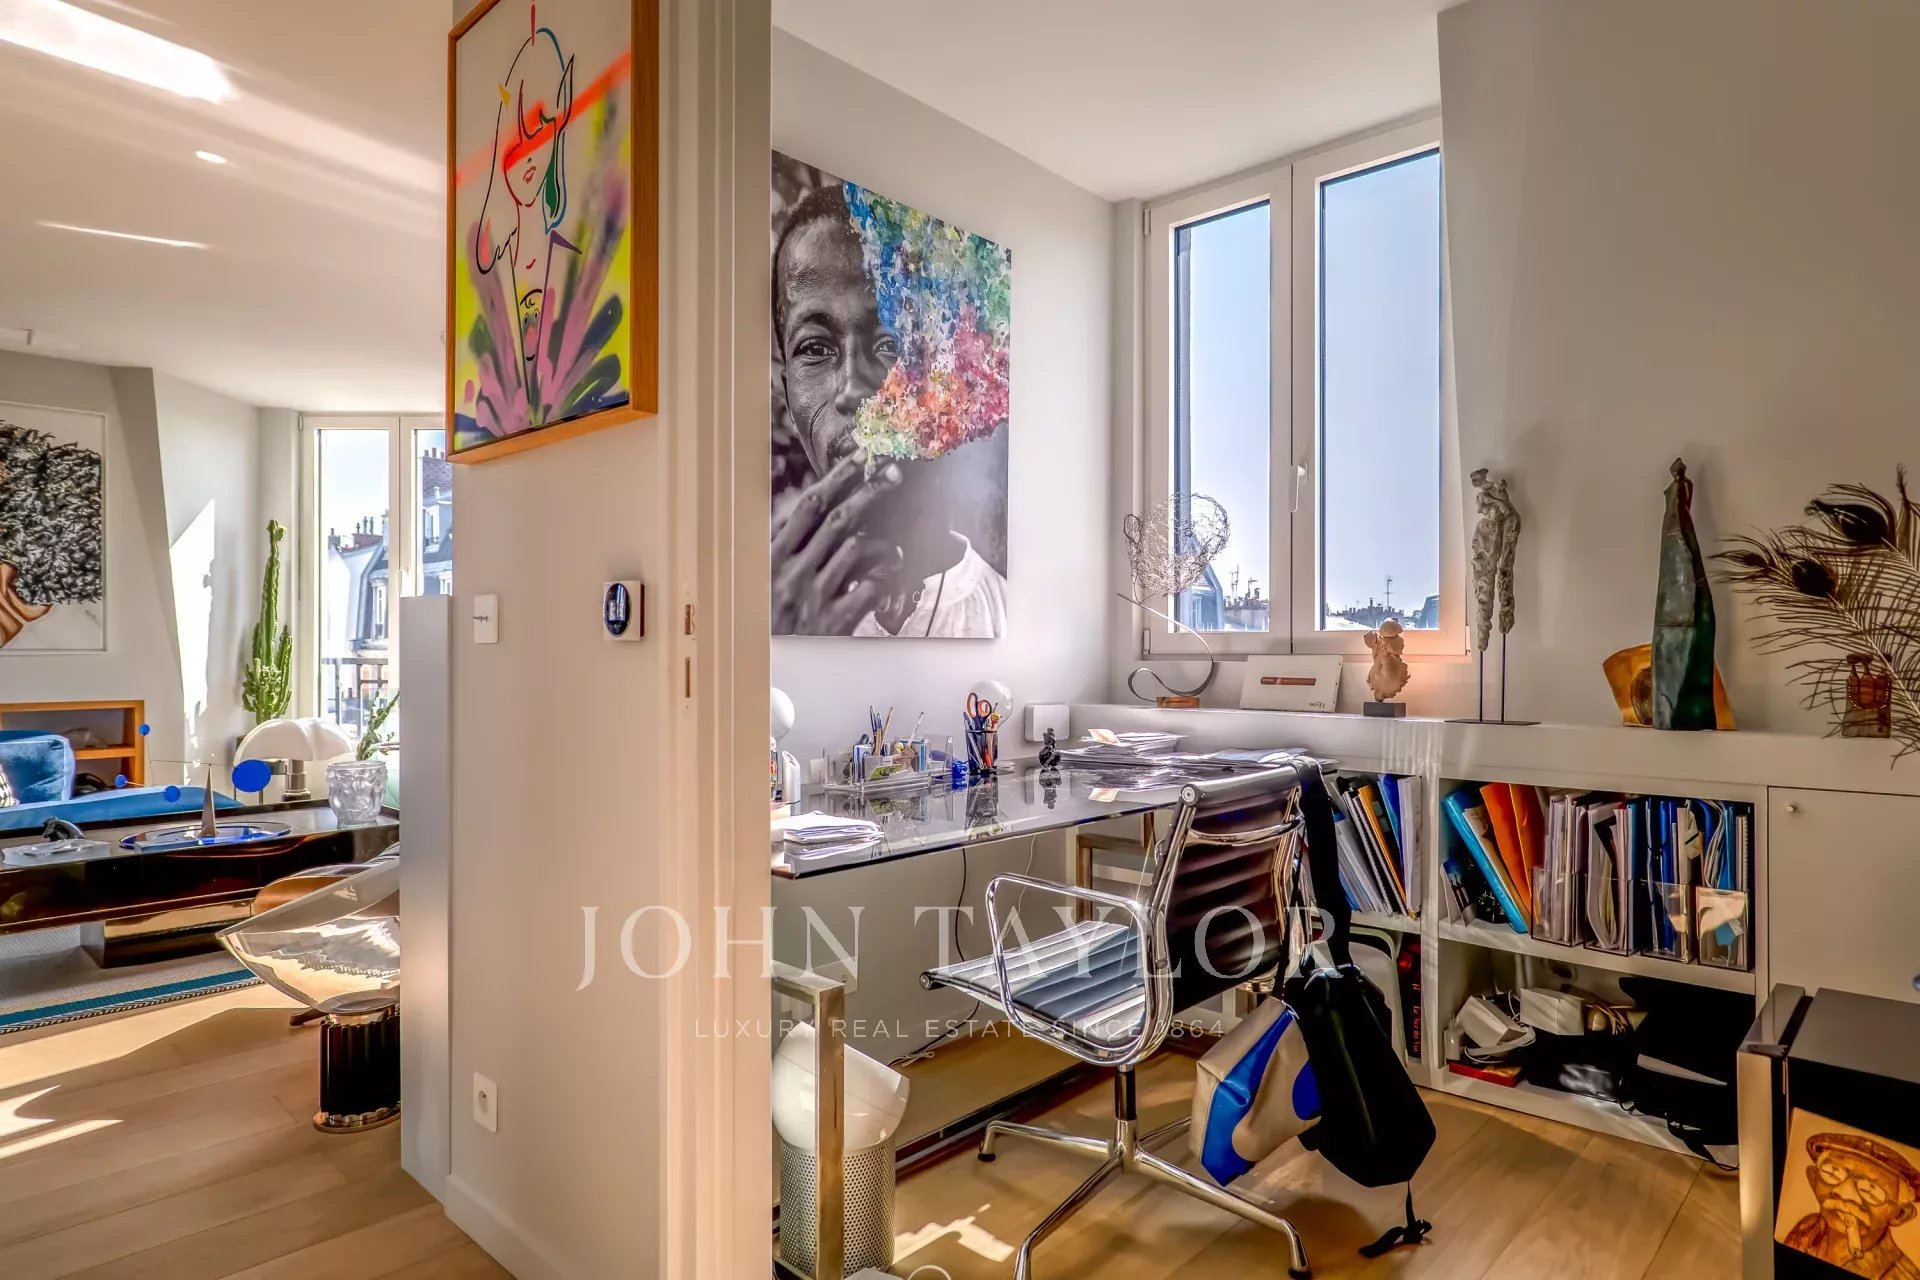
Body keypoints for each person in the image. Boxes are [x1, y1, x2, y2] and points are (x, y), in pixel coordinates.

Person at [771, 184, 1008, 638]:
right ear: (788, 396)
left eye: (890, 343)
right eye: (815, 348)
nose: (851, 389)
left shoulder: (1003, 613)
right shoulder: (749, 616)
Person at [1784, 1132, 1920, 1279]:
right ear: (1813, 1179)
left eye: (1871, 1190)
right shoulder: (1807, 1228)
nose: (1845, 1194)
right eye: (1833, 1173)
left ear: (1899, 1214)